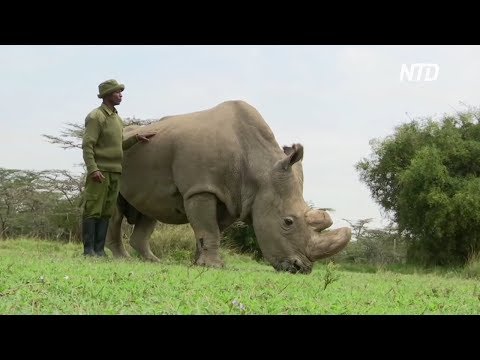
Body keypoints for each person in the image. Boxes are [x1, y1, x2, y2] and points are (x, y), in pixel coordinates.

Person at [81, 79, 155, 257]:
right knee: (93, 209)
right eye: (117, 92)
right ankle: (88, 251)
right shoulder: (96, 117)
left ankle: (99, 250)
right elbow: (87, 145)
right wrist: (93, 169)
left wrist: (136, 138)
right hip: (100, 171)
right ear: (107, 95)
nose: (121, 95)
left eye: (121, 92)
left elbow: (119, 145)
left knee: (107, 211)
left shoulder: (116, 118)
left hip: (115, 172)